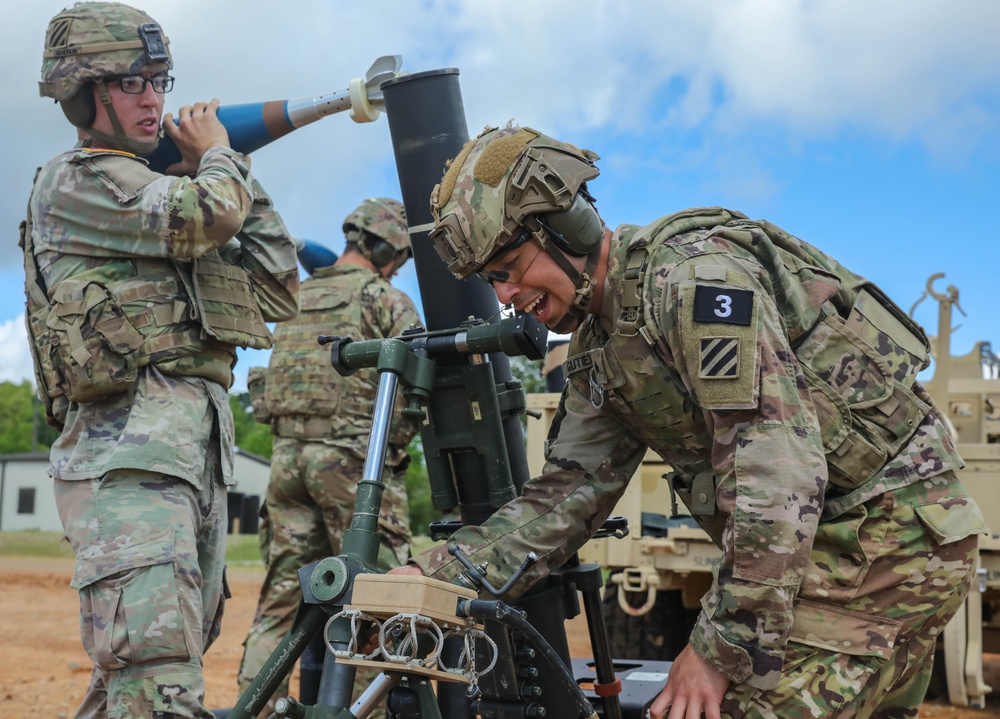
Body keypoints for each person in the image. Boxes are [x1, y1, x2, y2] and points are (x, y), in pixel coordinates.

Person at [390, 124, 988, 719]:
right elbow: (563, 498)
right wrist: (436, 578)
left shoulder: (692, 282)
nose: (508, 296)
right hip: (826, 547)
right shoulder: (601, 350)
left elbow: (774, 469)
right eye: (493, 280)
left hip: (890, 539)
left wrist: (719, 649)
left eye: (511, 266)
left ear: (566, 227)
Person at [22, 3, 299, 717]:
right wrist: (216, 159)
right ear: (83, 94)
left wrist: (228, 161)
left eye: (160, 80)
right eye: (132, 83)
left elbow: (277, 284)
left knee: (137, 687)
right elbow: (209, 214)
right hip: (130, 472)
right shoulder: (76, 182)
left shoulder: (173, 193)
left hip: (192, 466)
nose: (154, 100)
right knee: (158, 683)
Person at [237, 197, 421, 714]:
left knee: (278, 609)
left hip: (287, 465)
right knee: (375, 604)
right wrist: (395, 453)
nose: (399, 266)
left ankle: (258, 708)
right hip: (353, 472)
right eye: (400, 256)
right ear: (388, 247)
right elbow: (413, 390)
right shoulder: (386, 300)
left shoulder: (298, 296)